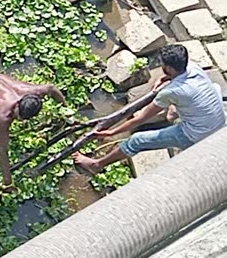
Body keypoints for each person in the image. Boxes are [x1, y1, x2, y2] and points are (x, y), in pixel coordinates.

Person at [74, 44, 226, 175]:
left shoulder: (171, 92)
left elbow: (141, 118)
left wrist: (112, 132)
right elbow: (175, 79)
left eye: (162, 64)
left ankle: (96, 165)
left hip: (197, 134)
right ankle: (173, 114)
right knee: (215, 87)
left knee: (136, 140)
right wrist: (164, 78)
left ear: (169, 67)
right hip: (219, 122)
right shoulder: (194, 68)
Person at [0, 71, 66, 187]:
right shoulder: (4, 114)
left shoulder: (35, 92)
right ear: (17, 105)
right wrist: (8, 181)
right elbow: (2, 149)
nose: (18, 119)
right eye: (18, 116)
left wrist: (66, 110)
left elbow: (51, 88)